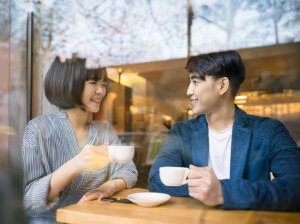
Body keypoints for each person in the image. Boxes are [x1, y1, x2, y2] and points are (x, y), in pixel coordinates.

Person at [148, 50, 300, 211]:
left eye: (196, 82)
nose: (188, 91)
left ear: (222, 86)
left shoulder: (269, 131)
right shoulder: (180, 132)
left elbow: (295, 187)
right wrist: (207, 191)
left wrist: (223, 192)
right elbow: (157, 180)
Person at [22, 56, 138, 223]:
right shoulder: (38, 129)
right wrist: (76, 165)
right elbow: (28, 200)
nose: (101, 91)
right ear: (69, 82)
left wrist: (106, 188)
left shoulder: (104, 130)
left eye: (104, 84)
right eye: (93, 83)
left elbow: (129, 171)